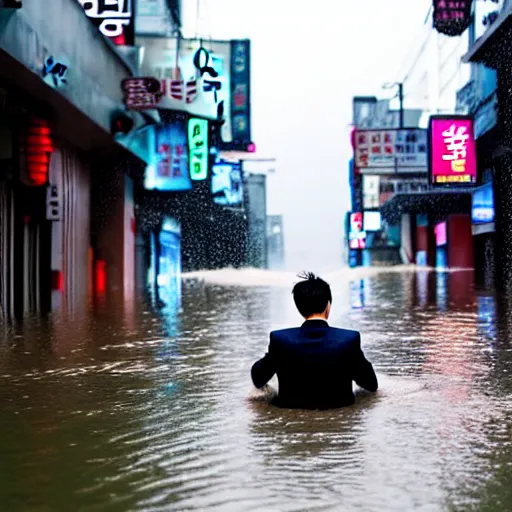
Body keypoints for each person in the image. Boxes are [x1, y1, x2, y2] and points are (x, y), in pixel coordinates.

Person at [251, 271, 378, 409]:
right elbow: (371, 385)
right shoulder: (349, 339)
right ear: (328, 305)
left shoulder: (280, 339)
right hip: (339, 414)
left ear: (299, 307)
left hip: (291, 417)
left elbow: (258, 378)